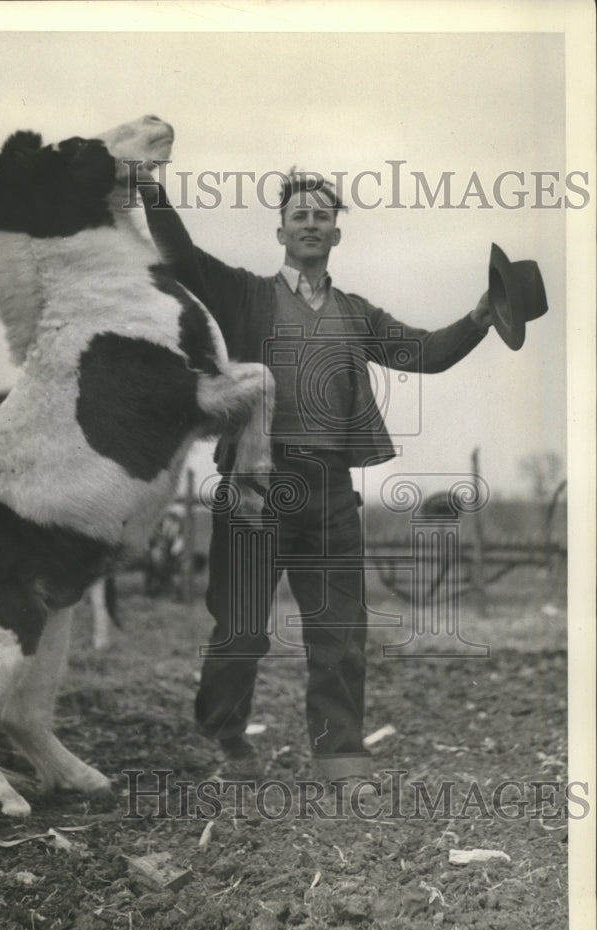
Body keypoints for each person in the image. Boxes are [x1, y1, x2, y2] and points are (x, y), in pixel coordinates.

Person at [137, 168, 492, 784]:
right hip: (256, 485)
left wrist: (483, 316)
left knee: (340, 632)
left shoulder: (356, 314)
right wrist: (151, 193)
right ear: (280, 230)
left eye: (321, 217)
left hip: (329, 490)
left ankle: (341, 757)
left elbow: (424, 352)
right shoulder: (246, 294)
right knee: (241, 627)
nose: (310, 224)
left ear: (336, 232)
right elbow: (183, 258)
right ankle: (229, 744)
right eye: (299, 216)